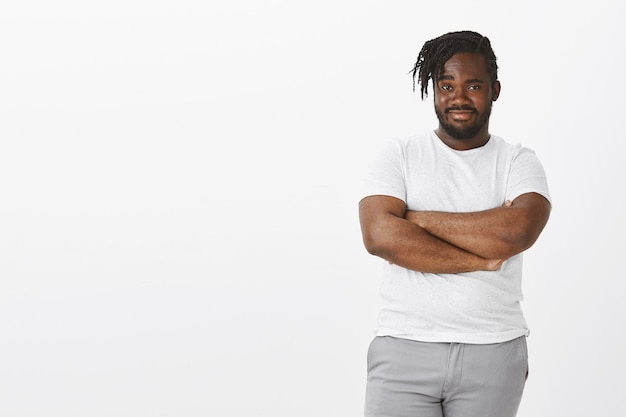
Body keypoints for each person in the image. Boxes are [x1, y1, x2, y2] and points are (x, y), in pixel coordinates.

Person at [358, 30, 551, 417]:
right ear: (434, 89)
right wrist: (482, 257)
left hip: (493, 350)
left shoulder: (518, 162)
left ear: (494, 90)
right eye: (446, 85)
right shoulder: (399, 155)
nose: (459, 98)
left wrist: (415, 220)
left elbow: (516, 232)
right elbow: (380, 237)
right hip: (404, 347)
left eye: (473, 85)